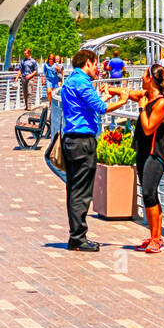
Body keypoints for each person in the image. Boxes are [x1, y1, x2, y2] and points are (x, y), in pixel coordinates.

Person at [58, 48, 129, 251]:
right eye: (96, 64)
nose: (97, 68)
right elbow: (101, 109)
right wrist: (122, 100)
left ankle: (76, 237)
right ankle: (78, 239)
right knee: (82, 192)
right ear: (87, 62)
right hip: (82, 142)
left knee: (73, 189)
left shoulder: (71, 81)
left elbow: (87, 106)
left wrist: (103, 98)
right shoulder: (82, 82)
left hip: (71, 140)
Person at [122, 64, 164, 253]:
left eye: (144, 74)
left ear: (150, 78)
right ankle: (154, 236)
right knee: (149, 194)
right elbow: (129, 93)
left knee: (150, 193)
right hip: (143, 151)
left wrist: (142, 109)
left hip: (156, 153)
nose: (141, 77)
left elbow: (149, 127)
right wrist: (108, 89)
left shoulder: (161, 103)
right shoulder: (147, 96)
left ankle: (157, 239)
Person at [43, 53, 64, 138]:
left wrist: (57, 68)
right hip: (49, 80)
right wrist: (43, 79)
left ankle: (52, 103)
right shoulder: (45, 65)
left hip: (55, 81)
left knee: (55, 94)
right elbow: (44, 73)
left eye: (52, 59)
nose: (51, 60)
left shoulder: (56, 64)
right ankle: (50, 102)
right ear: (48, 59)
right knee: (48, 91)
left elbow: (60, 71)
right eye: (50, 59)